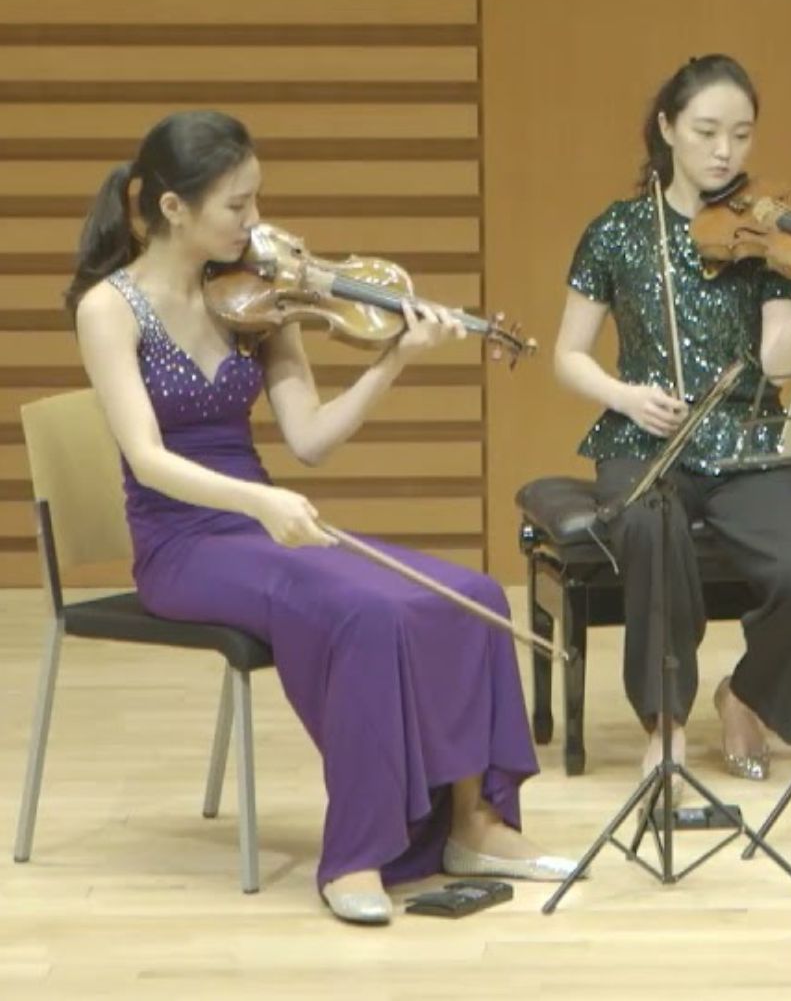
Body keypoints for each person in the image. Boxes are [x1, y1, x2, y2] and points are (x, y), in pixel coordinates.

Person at [69, 110, 572, 926]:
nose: (257, 221)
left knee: (472, 594)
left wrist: (393, 360)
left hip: (265, 524)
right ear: (173, 208)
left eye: (257, 199)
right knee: (363, 613)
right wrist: (259, 501)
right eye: (238, 205)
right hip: (183, 543)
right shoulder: (110, 310)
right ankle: (357, 853)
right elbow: (147, 457)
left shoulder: (256, 298)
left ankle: (476, 821)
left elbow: (308, 440)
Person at [552, 54, 791, 788]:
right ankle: (663, 726)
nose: (725, 151)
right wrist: (625, 395)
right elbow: (568, 355)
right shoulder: (617, 231)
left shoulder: (763, 236)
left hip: (744, 436)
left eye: (741, 134)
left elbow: (780, 363)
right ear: (667, 129)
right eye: (706, 132)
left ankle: (745, 695)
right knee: (649, 529)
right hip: (644, 437)